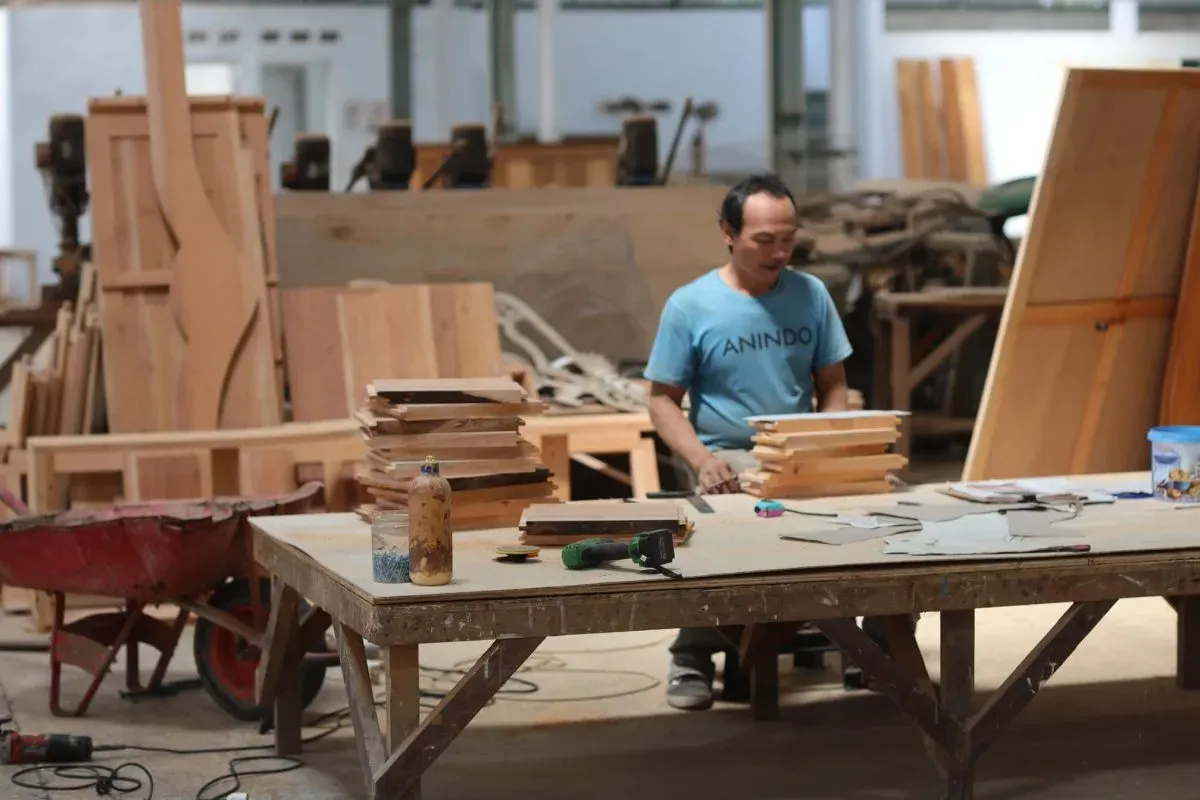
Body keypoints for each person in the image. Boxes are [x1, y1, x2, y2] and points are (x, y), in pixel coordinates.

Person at [642, 172, 854, 711]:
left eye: (788, 239)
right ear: (728, 233)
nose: (779, 253)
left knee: (878, 502)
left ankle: (869, 644)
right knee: (733, 517)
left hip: (798, 448)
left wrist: (828, 443)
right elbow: (662, 399)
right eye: (764, 240)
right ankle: (693, 654)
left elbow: (833, 384)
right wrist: (702, 460)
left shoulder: (811, 294)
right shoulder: (691, 305)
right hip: (728, 452)